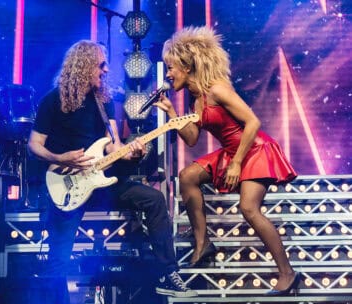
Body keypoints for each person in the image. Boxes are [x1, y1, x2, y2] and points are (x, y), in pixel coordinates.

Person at [27, 40, 198, 301]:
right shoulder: (52, 101)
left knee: (153, 199)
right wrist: (60, 157)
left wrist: (132, 150)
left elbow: (113, 145)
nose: (106, 71)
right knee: (58, 257)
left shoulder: (103, 101)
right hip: (67, 185)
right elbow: (34, 145)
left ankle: (168, 273)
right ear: (84, 66)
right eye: (101, 65)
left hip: (102, 181)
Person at [154, 26, 300, 296]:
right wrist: (173, 114)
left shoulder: (218, 89)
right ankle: (203, 242)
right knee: (188, 176)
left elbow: (253, 122)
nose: (168, 74)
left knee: (249, 209)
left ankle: (287, 274)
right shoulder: (198, 100)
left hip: (254, 150)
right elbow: (192, 139)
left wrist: (236, 164)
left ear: (186, 67)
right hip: (231, 151)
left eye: (171, 67)